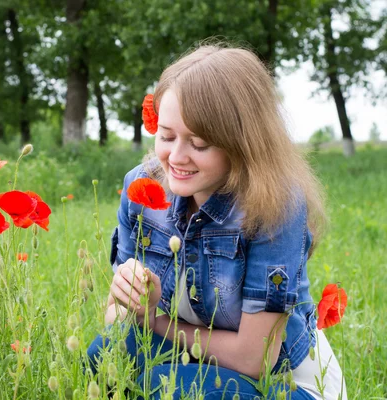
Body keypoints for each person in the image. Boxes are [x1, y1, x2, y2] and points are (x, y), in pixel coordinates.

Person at [87, 44, 347, 399]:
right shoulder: (142, 188)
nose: (175, 157)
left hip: (283, 382)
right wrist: (125, 299)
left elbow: (255, 359)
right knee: (103, 356)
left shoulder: (275, 205)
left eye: (199, 143)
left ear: (242, 143)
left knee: (173, 386)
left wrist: (155, 321)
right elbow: (118, 318)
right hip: (188, 357)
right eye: (166, 136)